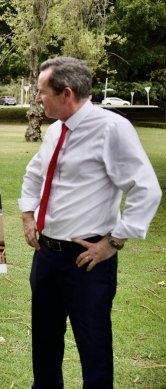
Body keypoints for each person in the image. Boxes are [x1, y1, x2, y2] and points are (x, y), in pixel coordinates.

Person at [19, 56, 162, 388]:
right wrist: (28, 216)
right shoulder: (55, 131)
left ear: (66, 93)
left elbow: (145, 190)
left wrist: (114, 241)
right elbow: (34, 173)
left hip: (86, 260)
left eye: (42, 92)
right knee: (44, 343)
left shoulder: (112, 128)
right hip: (46, 256)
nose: (38, 98)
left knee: (93, 345)